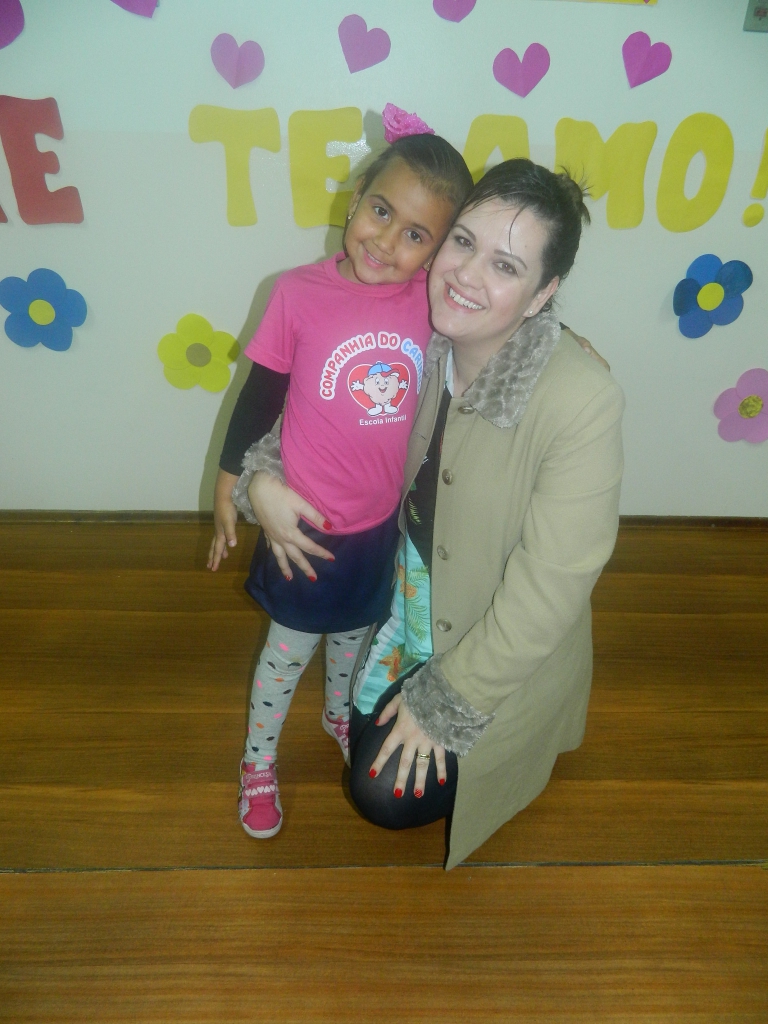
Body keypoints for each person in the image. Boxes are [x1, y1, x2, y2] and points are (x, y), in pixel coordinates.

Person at [244, 158, 624, 868]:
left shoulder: (582, 404)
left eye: (506, 266)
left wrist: (447, 698)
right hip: (401, 604)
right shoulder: (420, 333)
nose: (467, 276)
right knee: (361, 740)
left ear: (544, 292)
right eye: (463, 243)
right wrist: (261, 477)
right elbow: (314, 409)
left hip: (488, 642)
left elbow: (551, 590)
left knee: (380, 793)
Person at [207, 107, 475, 839]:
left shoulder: (431, 307)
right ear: (355, 200)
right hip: (305, 529)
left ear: (438, 252)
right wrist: (231, 484)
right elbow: (259, 397)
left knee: (356, 639)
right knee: (286, 654)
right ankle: (258, 760)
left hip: (380, 529)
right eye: (381, 212)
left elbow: (499, 324)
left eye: (415, 235)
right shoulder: (296, 293)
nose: (386, 241)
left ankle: (336, 715)